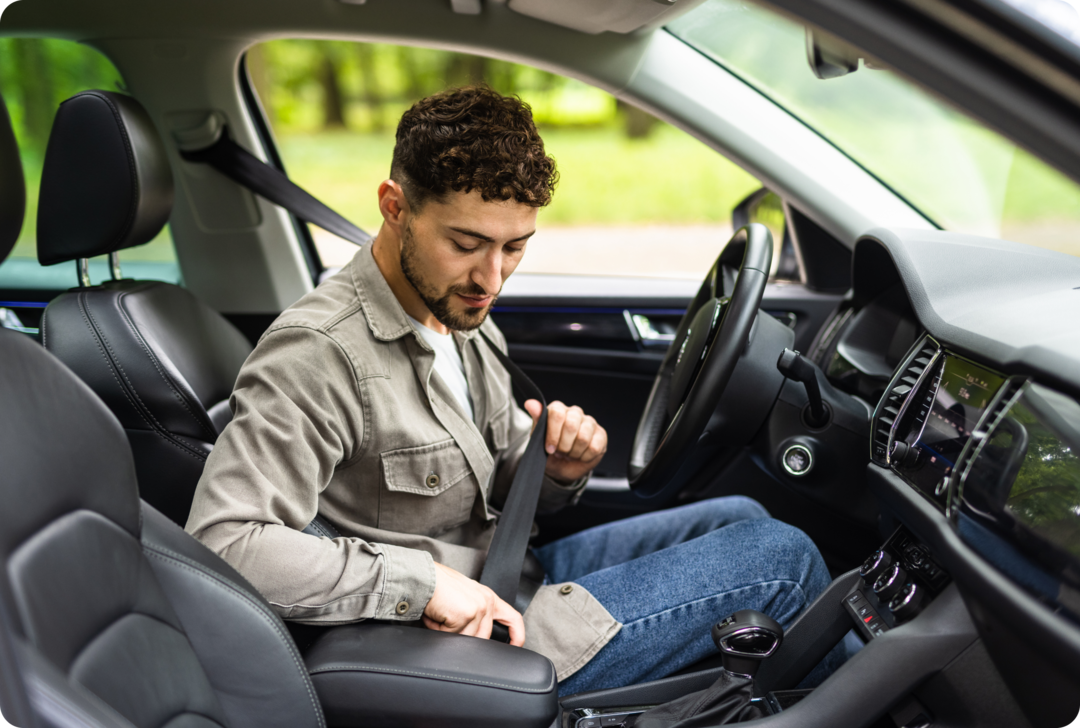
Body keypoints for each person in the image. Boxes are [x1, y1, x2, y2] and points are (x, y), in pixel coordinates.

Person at [186, 85, 837, 695]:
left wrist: (555, 471)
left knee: (743, 519)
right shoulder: (316, 354)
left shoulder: (457, 312)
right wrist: (422, 583)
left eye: (515, 247)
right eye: (466, 243)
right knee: (783, 558)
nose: (491, 277)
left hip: (507, 570)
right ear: (394, 207)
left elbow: (488, 485)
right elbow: (226, 542)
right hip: (454, 639)